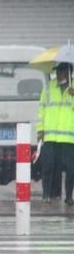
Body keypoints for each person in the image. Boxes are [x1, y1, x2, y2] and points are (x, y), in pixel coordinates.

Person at [37, 62, 74, 205]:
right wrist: (40, 130)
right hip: (51, 136)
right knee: (48, 166)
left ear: (69, 72)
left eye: (61, 72)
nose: (58, 75)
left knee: (71, 169)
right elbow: (42, 110)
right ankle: (46, 194)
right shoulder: (48, 87)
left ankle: (69, 196)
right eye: (57, 72)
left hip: (69, 138)